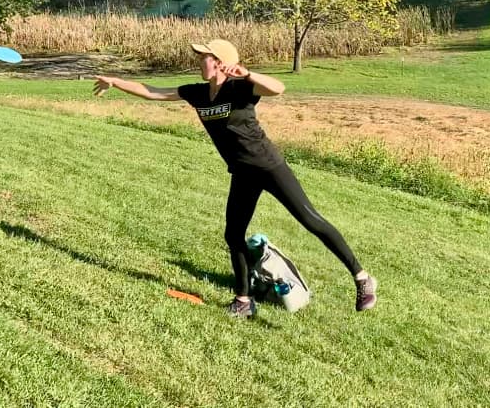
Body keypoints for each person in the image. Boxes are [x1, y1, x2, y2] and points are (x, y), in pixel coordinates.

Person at [93, 39, 377, 318]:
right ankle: (244, 300)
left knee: (310, 220)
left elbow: (278, 88)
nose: (198, 62)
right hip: (242, 173)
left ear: (219, 62)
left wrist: (248, 74)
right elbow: (153, 92)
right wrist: (115, 82)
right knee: (233, 234)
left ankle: (362, 278)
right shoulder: (199, 93)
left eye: (203, 57)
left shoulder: (239, 88)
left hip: (269, 166)